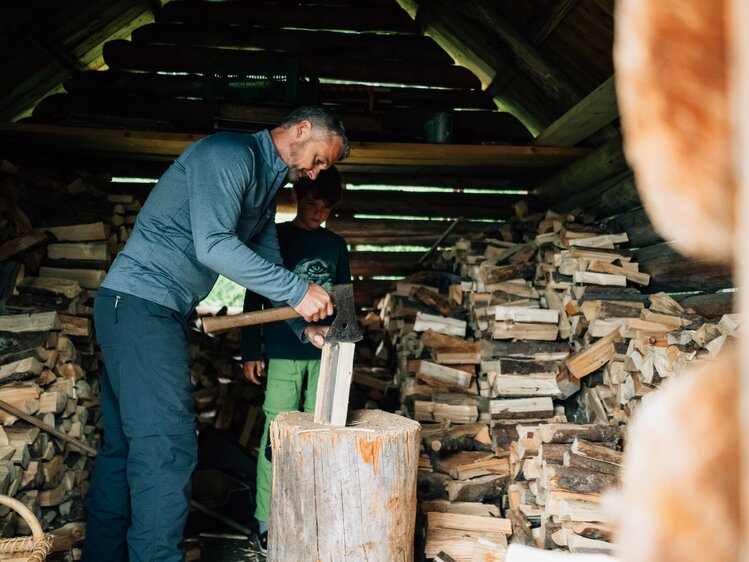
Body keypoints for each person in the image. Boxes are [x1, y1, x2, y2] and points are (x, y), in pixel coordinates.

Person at [81, 106, 350, 562]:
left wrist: (302, 328)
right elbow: (215, 246)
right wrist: (300, 290)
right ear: (302, 130)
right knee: (167, 446)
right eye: (321, 159)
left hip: (142, 309)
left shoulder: (266, 186)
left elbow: (267, 272)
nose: (317, 173)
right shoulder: (230, 155)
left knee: (126, 448)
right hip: (141, 305)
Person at [240, 167, 350, 553]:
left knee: (317, 435)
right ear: (298, 198)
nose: (318, 210)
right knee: (277, 437)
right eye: (311, 202)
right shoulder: (278, 239)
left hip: (323, 356)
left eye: (325, 205)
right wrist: (251, 350)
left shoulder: (335, 246)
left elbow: (344, 298)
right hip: (283, 352)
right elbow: (255, 296)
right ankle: (266, 520)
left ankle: (309, 517)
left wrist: (345, 350)